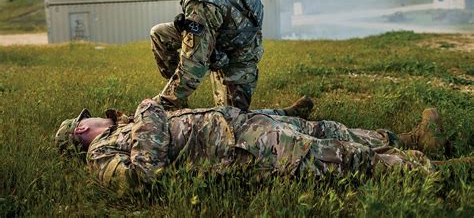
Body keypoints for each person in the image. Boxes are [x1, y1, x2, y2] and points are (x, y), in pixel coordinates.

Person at [55, 97, 448, 192]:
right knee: (331, 156)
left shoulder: (124, 125)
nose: (93, 116)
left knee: (325, 129)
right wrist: (149, 116)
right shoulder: (101, 154)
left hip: (240, 123)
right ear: (80, 131)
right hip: (234, 148)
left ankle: (409, 140)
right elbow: (143, 177)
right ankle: (434, 172)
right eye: (85, 117)